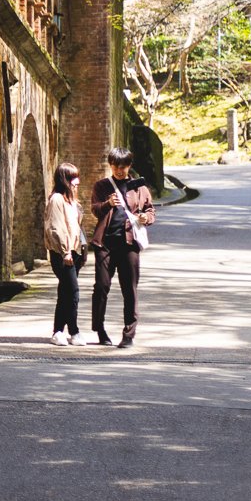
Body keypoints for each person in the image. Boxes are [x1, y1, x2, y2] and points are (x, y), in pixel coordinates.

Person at [89, 147, 155, 349]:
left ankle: (129, 334)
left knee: (130, 290)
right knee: (101, 287)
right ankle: (99, 329)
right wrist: (108, 203)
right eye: (116, 166)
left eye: (124, 166)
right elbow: (95, 209)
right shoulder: (102, 186)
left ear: (129, 166)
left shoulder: (139, 187)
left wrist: (146, 218)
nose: (120, 170)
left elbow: (150, 211)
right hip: (105, 244)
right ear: (110, 165)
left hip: (129, 245)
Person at [44, 162, 87, 346]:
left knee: (65, 293)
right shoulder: (57, 200)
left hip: (75, 253)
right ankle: (74, 332)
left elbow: (77, 227)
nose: (77, 181)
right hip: (63, 254)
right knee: (73, 292)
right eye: (72, 178)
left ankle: (58, 331)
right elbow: (56, 228)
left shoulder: (72, 201)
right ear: (64, 180)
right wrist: (65, 251)